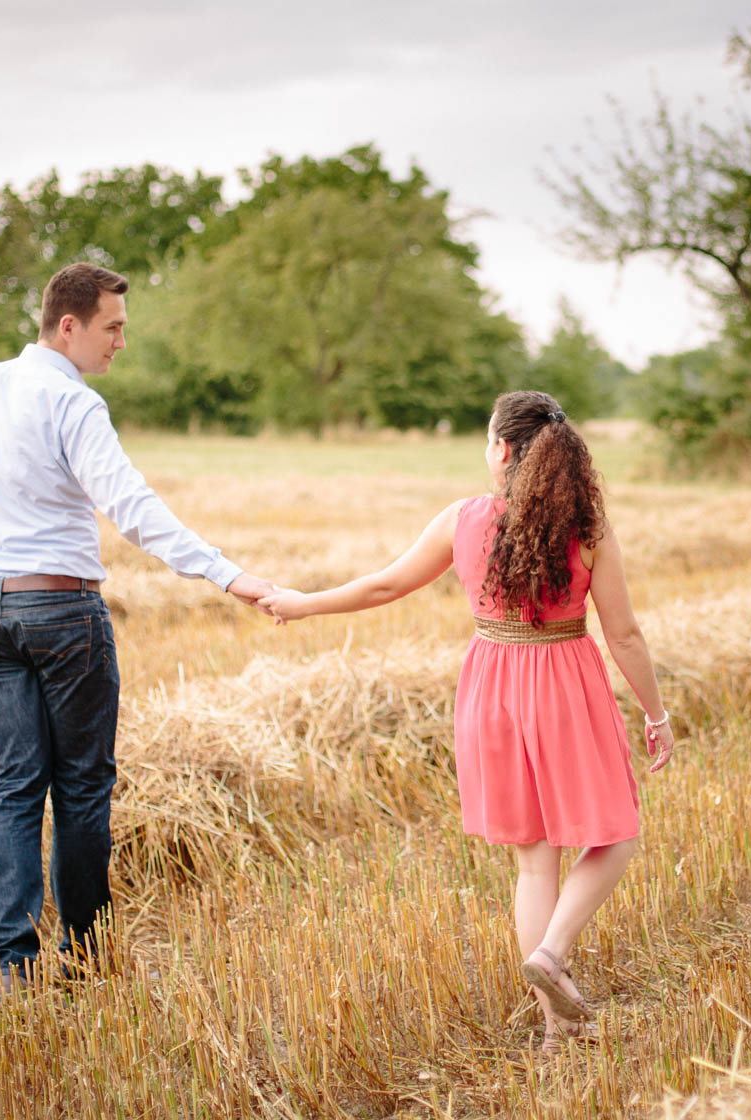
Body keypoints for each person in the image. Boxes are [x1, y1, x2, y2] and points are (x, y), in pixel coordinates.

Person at [258, 390, 676, 1051]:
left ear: (502, 450)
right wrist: (657, 714)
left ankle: (555, 1032)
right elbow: (623, 634)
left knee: (534, 864)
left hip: (491, 689)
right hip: (564, 685)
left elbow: (384, 585)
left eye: (487, 439)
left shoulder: (464, 520)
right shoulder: (587, 530)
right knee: (616, 835)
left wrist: (302, 602)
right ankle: (553, 954)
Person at [0, 261, 277, 991]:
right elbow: (131, 506)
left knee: (13, 783)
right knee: (82, 787)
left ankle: (11, 969)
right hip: (62, 613)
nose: (120, 342)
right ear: (69, 326)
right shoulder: (72, 401)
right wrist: (225, 573)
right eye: (112, 327)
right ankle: (85, 958)